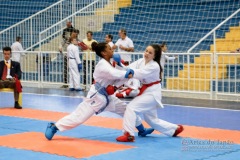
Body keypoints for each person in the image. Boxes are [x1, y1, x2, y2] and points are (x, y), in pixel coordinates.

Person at [45, 42, 153, 140]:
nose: (112, 50)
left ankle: (142, 130)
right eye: (109, 49)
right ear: (103, 53)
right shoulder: (102, 65)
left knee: (127, 110)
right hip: (96, 97)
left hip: (108, 98)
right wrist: (126, 73)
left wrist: (123, 67)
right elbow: (115, 74)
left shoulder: (110, 63)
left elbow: (117, 79)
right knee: (79, 117)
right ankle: (54, 127)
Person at [116, 44, 184, 142]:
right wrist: (120, 64)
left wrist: (127, 71)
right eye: (146, 51)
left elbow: (139, 73)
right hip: (146, 92)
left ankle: (128, 134)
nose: (147, 53)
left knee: (131, 108)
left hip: (152, 93)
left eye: (150, 52)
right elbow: (129, 68)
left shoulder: (154, 66)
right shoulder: (141, 61)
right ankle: (174, 129)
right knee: (151, 120)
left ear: (154, 56)